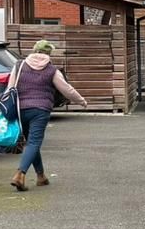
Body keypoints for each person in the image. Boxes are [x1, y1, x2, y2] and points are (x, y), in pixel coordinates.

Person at [8, 39, 87, 191]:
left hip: (21, 109)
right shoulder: (52, 70)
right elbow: (66, 89)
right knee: (34, 142)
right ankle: (20, 174)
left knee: (31, 142)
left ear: (34, 50)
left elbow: (10, 87)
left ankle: (41, 176)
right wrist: (81, 100)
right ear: (48, 53)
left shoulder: (19, 65)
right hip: (41, 110)